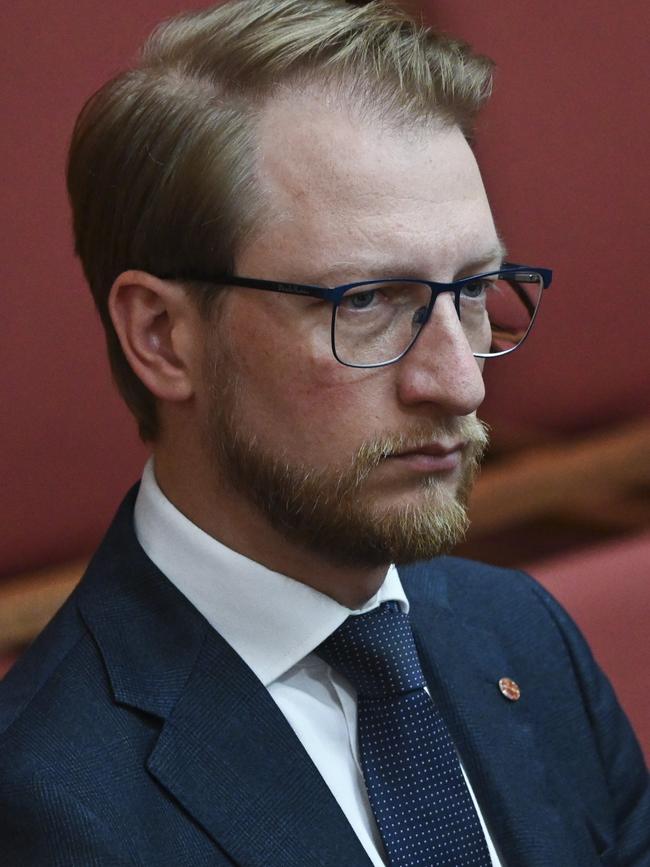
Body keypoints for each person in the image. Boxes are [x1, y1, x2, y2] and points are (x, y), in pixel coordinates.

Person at [1, 0, 648, 864]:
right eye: (369, 303)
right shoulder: (42, 806)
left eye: (472, 291)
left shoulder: (526, 634)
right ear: (162, 336)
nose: (459, 381)